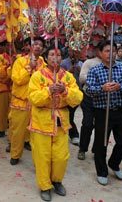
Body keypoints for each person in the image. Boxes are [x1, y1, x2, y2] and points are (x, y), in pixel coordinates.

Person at [28, 45, 83, 201]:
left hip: (61, 121)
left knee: (61, 156)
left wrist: (65, 91)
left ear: (61, 58)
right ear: (46, 58)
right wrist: (48, 90)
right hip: (41, 120)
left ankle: (57, 180)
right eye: (52, 54)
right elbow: (33, 98)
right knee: (42, 156)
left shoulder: (67, 77)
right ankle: (45, 185)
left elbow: (78, 98)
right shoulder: (37, 76)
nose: (55, 58)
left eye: (58, 55)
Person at [86, 41, 122, 186]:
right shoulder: (95, 70)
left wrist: (120, 86)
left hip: (120, 111)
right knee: (101, 143)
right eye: (107, 51)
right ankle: (102, 171)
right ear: (100, 53)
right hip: (102, 112)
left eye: (113, 51)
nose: (111, 54)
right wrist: (102, 88)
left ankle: (114, 163)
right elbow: (88, 90)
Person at [8, 38, 46, 165]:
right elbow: (17, 79)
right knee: (17, 131)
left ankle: (38, 160)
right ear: (29, 46)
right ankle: (15, 154)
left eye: (41, 45)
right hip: (20, 102)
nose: (38, 47)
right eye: (35, 44)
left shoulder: (44, 64)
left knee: (36, 133)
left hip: (36, 103)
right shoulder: (20, 61)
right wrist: (29, 68)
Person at [77, 47, 102, 160]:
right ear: (99, 51)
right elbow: (82, 78)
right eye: (106, 50)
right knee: (87, 123)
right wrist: (99, 78)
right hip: (89, 97)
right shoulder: (89, 62)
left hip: (103, 99)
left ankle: (97, 149)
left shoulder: (113, 65)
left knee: (101, 125)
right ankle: (82, 149)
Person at [60, 49, 83, 146]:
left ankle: (73, 134)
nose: (74, 53)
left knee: (70, 115)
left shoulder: (82, 63)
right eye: (71, 51)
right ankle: (74, 135)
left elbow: (83, 78)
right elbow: (60, 76)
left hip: (76, 92)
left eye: (76, 51)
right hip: (64, 93)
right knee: (69, 115)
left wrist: (80, 71)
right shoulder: (64, 62)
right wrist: (69, 71)